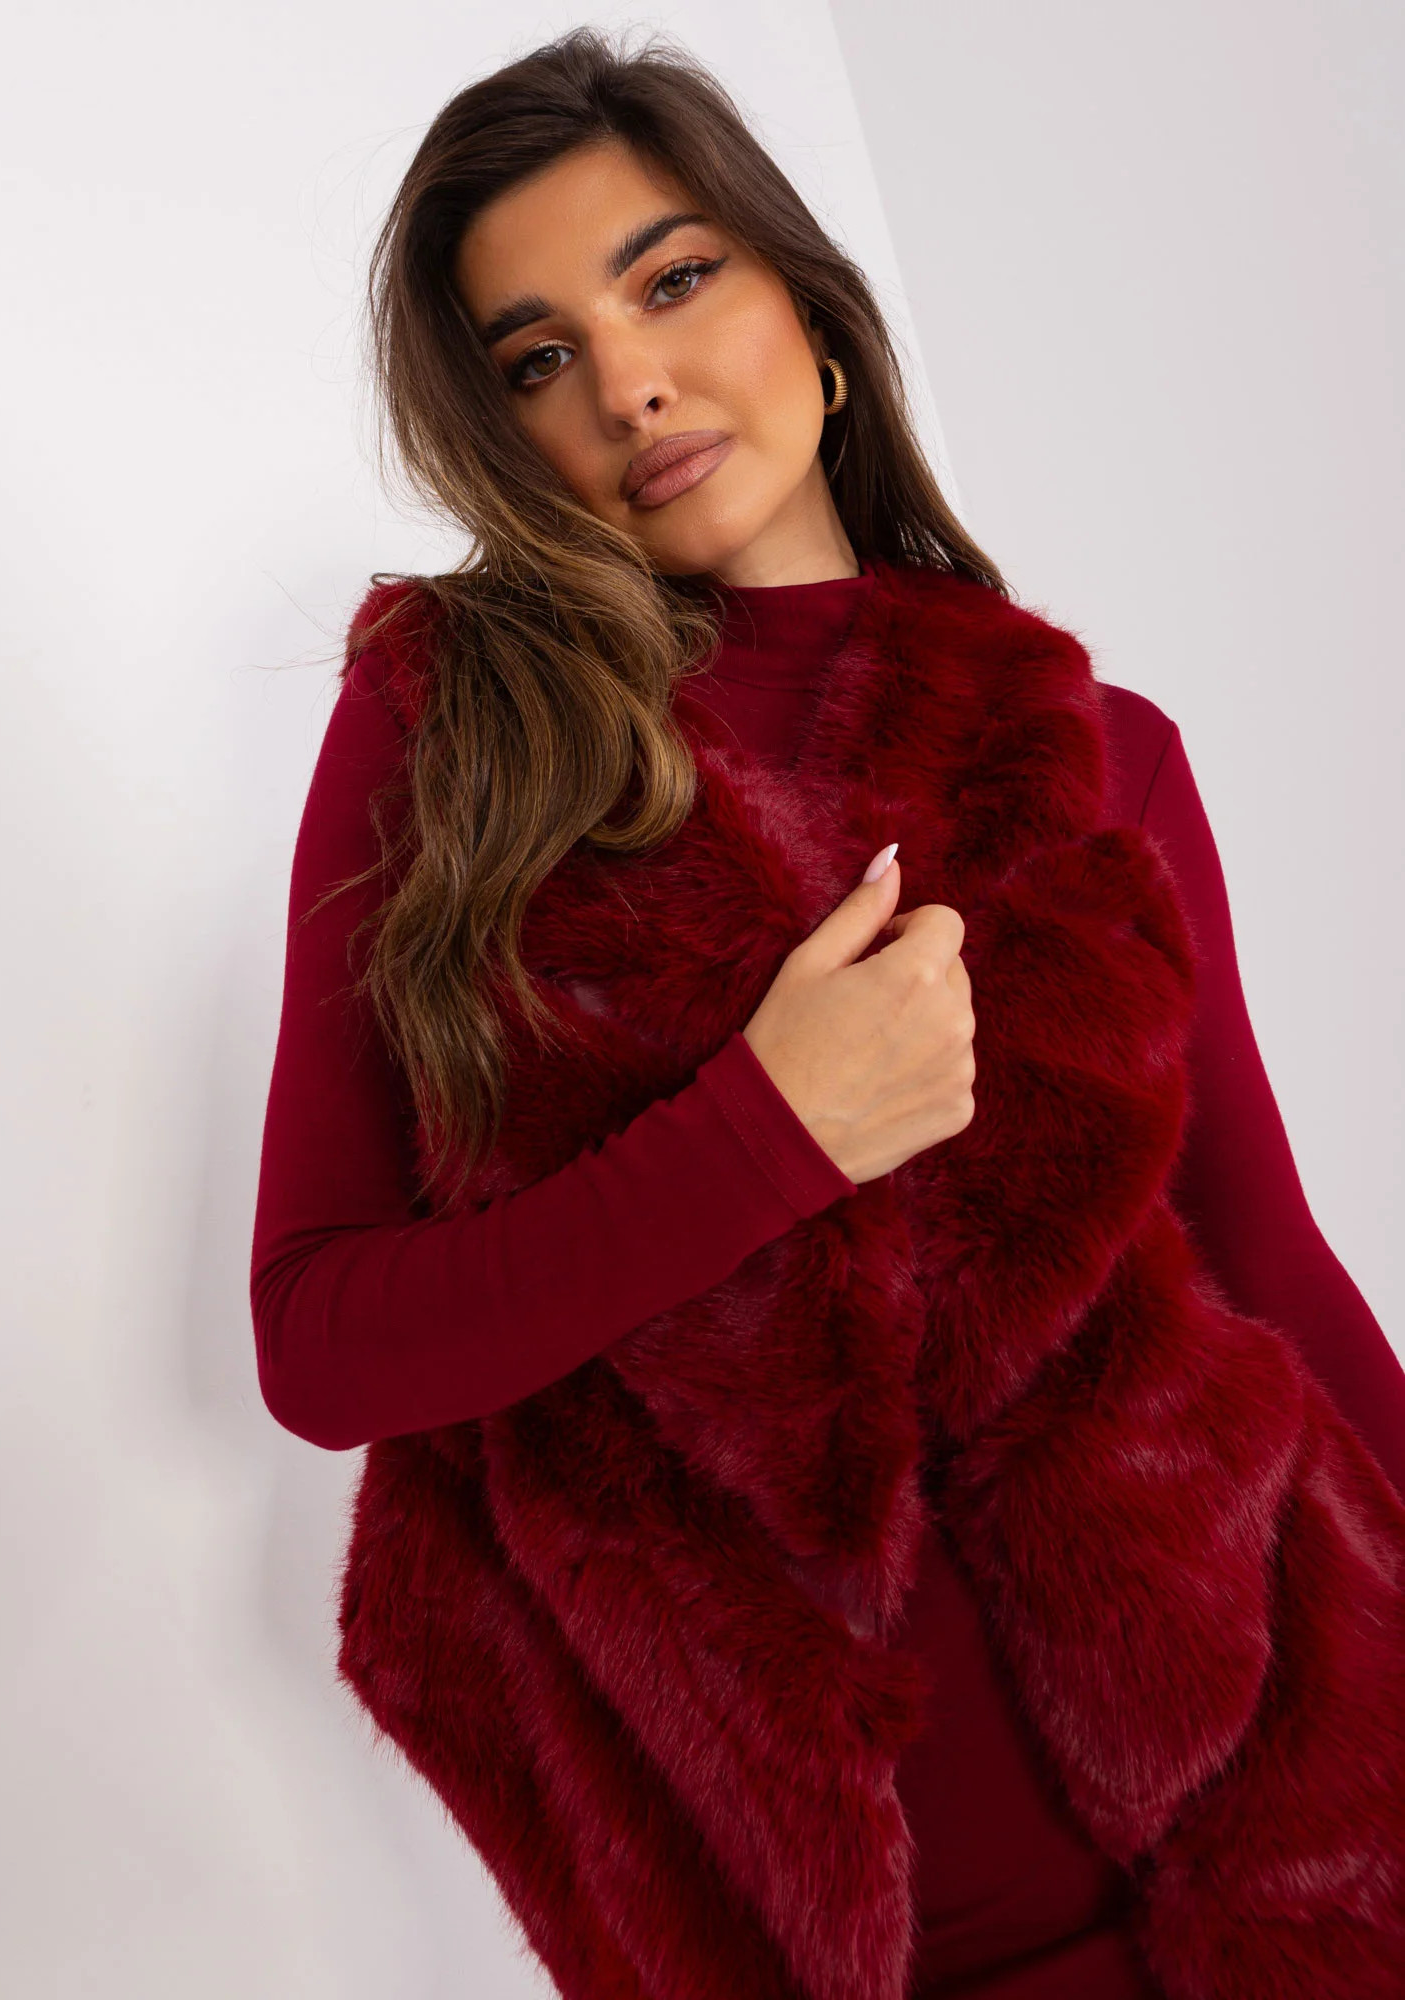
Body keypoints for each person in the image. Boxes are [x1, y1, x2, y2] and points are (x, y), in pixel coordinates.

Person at [250, 28, 1405, 1999]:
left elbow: (1269, 1264)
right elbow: (323, 1341)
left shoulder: (1099, 752)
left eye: (673, 278)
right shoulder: (458, 737)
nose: (626, 381)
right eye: (536, 358)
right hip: (794, 1921)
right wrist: (765, 1136)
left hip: (1281, 1847)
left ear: (813, 311)